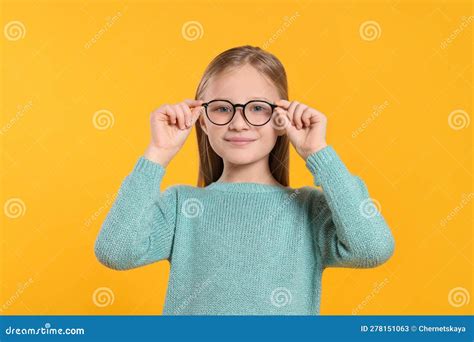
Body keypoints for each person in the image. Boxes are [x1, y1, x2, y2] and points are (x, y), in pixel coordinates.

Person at [94, 45, 395, 315]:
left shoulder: (309, 210)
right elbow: (115, 251)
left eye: (258, 108)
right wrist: (157, 154)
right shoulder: (181, 206)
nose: (239, 123)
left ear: (281, 120)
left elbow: (372, 248)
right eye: (223, 108)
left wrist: (318, 152)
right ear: (202, 119)